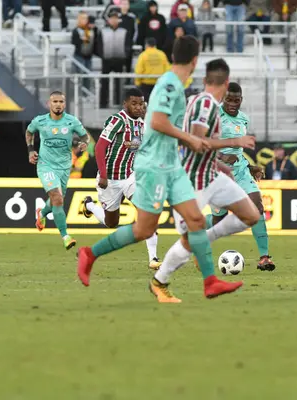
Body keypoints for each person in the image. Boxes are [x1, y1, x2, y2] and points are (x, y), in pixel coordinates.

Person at [77, 36, 243, 301]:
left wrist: (214, 159)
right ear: (195, 59)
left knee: (196, 220)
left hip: (172, 165)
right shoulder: (168, 85)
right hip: (154, 166)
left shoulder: (175, 85)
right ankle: (90, 253)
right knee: (143, 229)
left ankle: (210, 281)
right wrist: (192, 139)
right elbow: (158, 122)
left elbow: (176, 127)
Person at [152, 60, 261, 302]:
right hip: (192, 180)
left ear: (205, 80)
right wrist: (236, 142)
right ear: (226, 82)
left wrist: (222, 166)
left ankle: (205, 239)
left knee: (252, 215)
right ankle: (160, 281)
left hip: (212, 174)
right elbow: (197, 142)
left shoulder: (203, 103)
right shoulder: (205, 104)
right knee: (186, 238)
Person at [81, 88, 161, 270]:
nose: (138, 107)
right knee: (112, 223)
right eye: (134, 103)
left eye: (141, 103)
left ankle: (153, 259)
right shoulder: (117, 121)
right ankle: (89, 205)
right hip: (109, 179)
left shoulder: (143, 124)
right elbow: (100, 147)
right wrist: (102, 174)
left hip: (130, 177)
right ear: (125, 104)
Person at [208, 82, 275, 271]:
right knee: (218, 221)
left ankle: (264, 258)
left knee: (257, 207)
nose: (232, 104)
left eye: (236, 100)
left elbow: (236, 150)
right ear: (223, 98)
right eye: (229, 99)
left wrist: (250, 166)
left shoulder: (243, 119)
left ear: (241, 100)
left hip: (240, 171)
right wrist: (221, 156)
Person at [28, 91, 90, 250]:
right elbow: (29, 132)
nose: (58, 104)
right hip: (45, 165)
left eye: (61, 101)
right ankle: (65, 236)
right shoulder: (40, 121)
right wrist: (30, 150)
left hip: (64, 167)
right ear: (49, 104)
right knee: (57, 197)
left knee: (57, 199)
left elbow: (85, 137)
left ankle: (41, 213)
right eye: (54, 101)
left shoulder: (72, 121)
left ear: (65, 104)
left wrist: (84, 144)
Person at [97, 12, 132, 108]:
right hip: (106, 60)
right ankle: (103, 103)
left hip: (119, 60)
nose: (113, 20)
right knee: (104, 82)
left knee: (119, 83)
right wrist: (102, 55)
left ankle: (118, 102)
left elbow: (128, 45)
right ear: (108, 20)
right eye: (112, 18)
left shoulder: (124, 31)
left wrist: (125, 55)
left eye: (115, 18)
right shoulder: (103, 31)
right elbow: (99, 45)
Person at [71, 12, 96, 77]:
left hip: (88, 56)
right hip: (79, 55)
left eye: (86, 18)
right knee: (79, 75)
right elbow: (74, 42)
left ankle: (87, 87)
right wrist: (81, 40)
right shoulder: (76, 30)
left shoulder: (91, 30)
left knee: (88, 76)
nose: (85, 20)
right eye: (83, 18)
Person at [118, 0, 139, 76]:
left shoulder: (132, 17)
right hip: (118, 46)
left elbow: (136, 30)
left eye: (126, 4)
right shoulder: (116, 17)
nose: (124, 6)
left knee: (128, 66)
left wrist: (132, 41)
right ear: (120, 5)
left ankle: (127, 81)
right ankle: (118, 84)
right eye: (123, 4)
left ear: (129, 5)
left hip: (128, 45)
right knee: (118, 66)